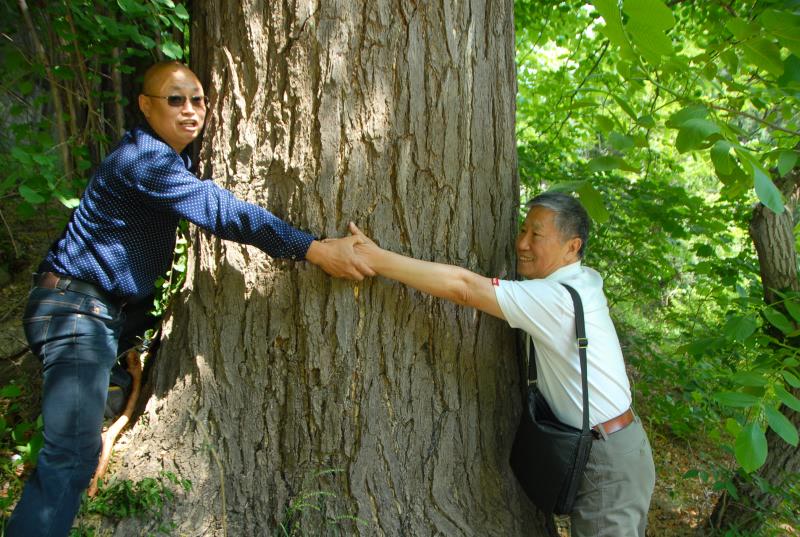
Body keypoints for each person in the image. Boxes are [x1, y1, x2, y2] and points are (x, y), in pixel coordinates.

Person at [6, 61, 373, 537]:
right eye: (175, 99)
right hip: (75, 312)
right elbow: (219, 209)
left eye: (197, 100)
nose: (190, 110)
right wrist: (316, 250)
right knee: (71, 454)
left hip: (93, 314)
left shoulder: (167, 157)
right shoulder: (144, 159)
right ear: (145, 105)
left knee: (77, 451)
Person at [349, 192, 655, 537]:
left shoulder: (555, 299)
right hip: (615, 446)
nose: (522, 243)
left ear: (572, 247)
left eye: (536, 235)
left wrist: (376, 259)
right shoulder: (582, 281)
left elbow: (464, 288)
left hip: (607, 459)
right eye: (523, 230)